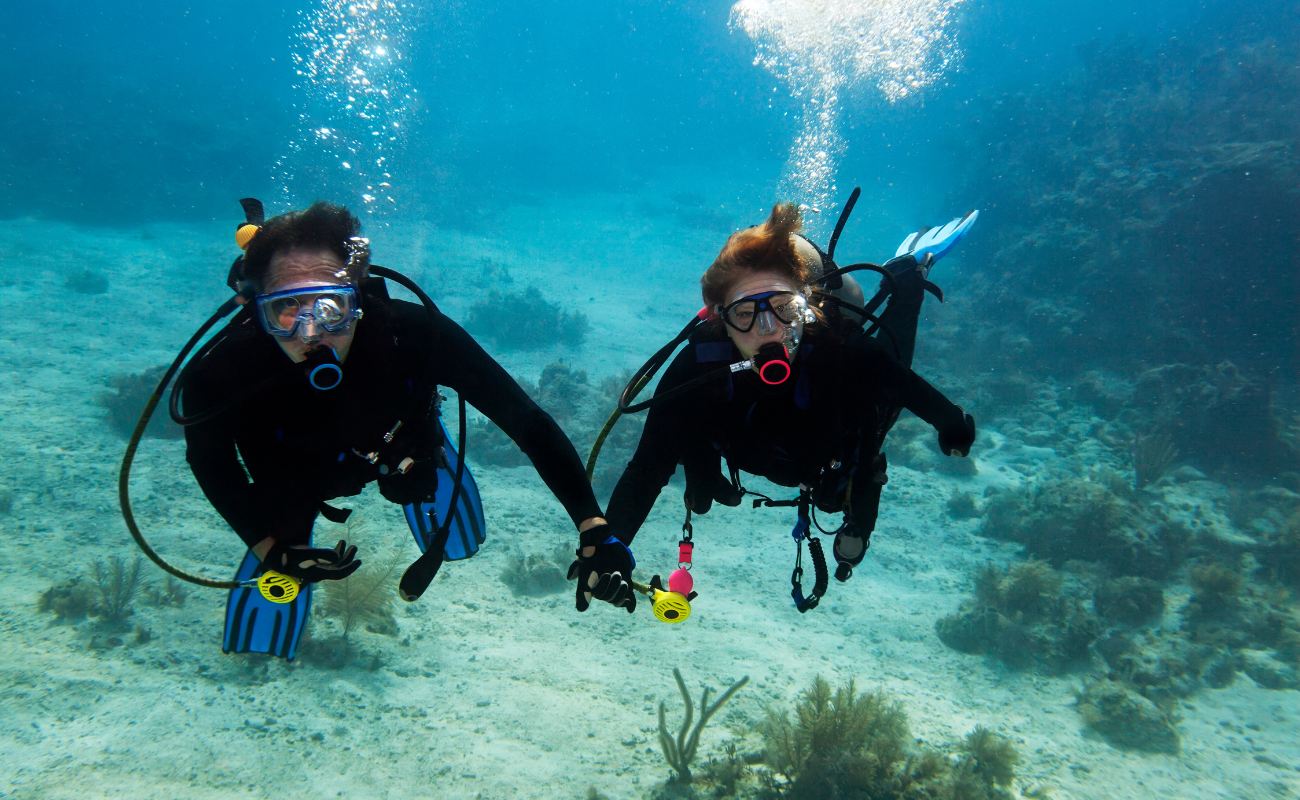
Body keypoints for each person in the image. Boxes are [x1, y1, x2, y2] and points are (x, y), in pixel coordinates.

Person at [179, 201, 612, 656]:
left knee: (416, 477)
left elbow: (526, 421)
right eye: (286, 308)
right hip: (294, 467)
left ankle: (432, 454)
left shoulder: (415, 335)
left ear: (359, 298)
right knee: (284, 534)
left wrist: (593, 524)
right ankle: (281, 547)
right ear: (257, 309)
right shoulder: (223, 371)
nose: (311, 333)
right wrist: (268, 547)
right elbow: (211, 463)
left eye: (331, 306)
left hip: (396, 445)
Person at [573, 202, 976, 614]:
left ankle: (908, 274)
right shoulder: (699, 367)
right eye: (745, 314)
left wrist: (951, 424)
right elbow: (647, 468)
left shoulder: (842, 350)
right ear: (719, 320)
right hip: (757, 444)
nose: (768, 330)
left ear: (806, 302)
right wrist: (614, 544)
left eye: (784, 308)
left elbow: (910, 388)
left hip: (832, 433)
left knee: (883, 384)